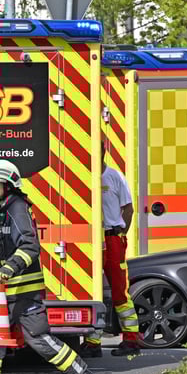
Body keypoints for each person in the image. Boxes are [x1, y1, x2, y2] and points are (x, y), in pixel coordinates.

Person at [0, 159, 97, 374]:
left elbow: (30, 246)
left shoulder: (17, 209)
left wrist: (9, 268)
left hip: (23, 291)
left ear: (9, 183)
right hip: (4, 291)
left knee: (37, 336)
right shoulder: (4, 209)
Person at [77, 139, 140, 358]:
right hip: (92, 239)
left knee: (119, 290)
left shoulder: (114, 176)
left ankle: (131, 340)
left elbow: (129, 210)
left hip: (112, 238)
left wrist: (121, 235)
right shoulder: (83, 176)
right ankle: (93, 343)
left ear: (103, 151)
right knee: (93, 291)